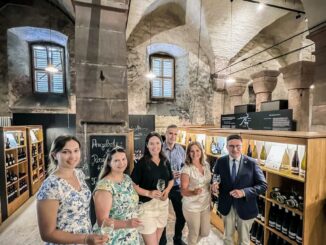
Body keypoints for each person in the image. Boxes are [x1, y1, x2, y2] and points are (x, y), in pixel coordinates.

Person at [37, 135, 108, 245]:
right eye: (65, 152)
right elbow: (47, 234)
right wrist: (85, 239)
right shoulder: (51, 186)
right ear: (54, 155)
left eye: (76, 150)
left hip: (87, 238)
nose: (73, 156)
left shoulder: (79, 174)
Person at [212, 134, 267, 245]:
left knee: (244, 241)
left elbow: (263, 185)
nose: (235, 149)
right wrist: (214, 184)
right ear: (226, 147)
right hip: (227, 206)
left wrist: (244, 192)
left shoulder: (252, 163)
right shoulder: (220, 161)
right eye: (231, 146)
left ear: (242, 146)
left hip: (246, 206)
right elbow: (215, 177)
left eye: (238, 146)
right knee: (227, 238)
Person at [131, 132, 174, 245]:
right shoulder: (141, 163)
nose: (155, 146)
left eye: (157, 143)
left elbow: (171, 180)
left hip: (163, 206)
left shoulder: (165, 161)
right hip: (147, 208)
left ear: (161, 144)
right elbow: (132, 185)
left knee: (157, 241)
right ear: (147, 145)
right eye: (151, 143)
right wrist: (149, 193)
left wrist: (167, 191)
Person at [93, 147, 142, 244]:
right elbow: (102, 222)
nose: (122, 163)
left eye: (123, 159)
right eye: (116, 160)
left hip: (130, 235)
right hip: (113, 238)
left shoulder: (126, 178)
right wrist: (127, 224)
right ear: (109, 163)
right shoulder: (104, 186)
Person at [180, 141, 211, 245]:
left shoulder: (206, 165)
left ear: (201, 151)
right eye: (192, 151)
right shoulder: (186, 169)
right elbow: (183, 191)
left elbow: (207, 183)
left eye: (197, 150)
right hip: (192, 206)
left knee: (205, 232)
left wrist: (214, 186)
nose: (195, 153)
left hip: (205, 204)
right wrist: (193, 192)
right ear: (188, 153)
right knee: (194, 234)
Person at [160, 125, 186, 245]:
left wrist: (181, 173)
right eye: (170, 133)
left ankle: (177, 238)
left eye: (175, 134)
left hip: (177, 187)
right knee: (162, 216)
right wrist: (169, 174)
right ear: (165, 133)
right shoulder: (159, 149)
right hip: (163, 187)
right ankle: (162, 240)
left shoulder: (181, 149)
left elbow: (185, 166)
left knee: (182, 215)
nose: (173, 136)